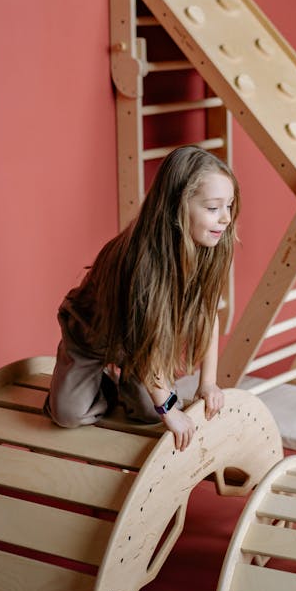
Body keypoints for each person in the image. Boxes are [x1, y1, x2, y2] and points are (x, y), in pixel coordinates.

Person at [44, 146, 239, 451]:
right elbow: (142, 342)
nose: (226, 218)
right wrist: (168, 410)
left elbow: (206, 312)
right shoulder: (141, 260)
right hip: (94, 335)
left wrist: (208, 382)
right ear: (177, 206)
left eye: (229, 205)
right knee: (68, 415)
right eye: (213, 208)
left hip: (142, 344)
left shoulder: (208, 246)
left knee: (149, 413)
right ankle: (100, 381)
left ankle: (130, 382)